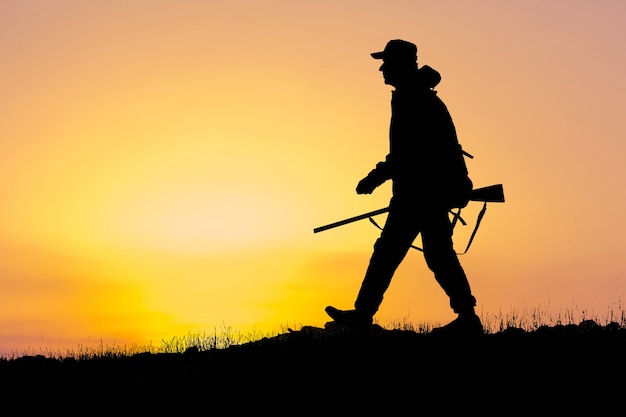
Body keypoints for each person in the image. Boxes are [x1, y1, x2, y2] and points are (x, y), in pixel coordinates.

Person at [325, 39, 483, 337]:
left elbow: (408, 155)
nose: (382, 68)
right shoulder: (413, 98)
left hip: (420, 195)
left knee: (398, 254)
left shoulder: (417, 101)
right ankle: (466, 316)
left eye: (387, 63)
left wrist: (375, 177)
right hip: (418, 193)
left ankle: (365, 314)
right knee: (427, 255)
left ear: (401, 65)